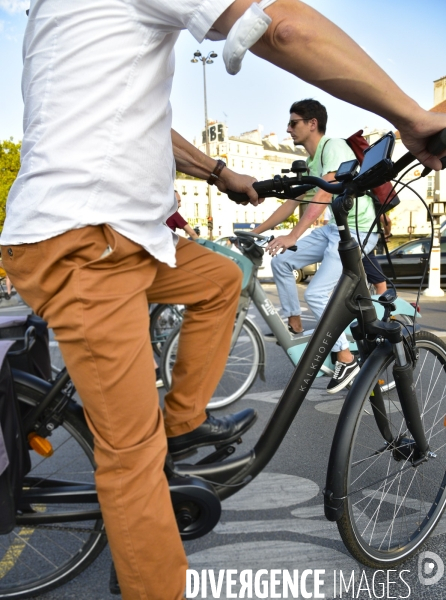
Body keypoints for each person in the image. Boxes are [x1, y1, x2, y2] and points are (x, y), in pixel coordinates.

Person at [1, 1, 445, 598]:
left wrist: (217, 172)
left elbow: (134, 120)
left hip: (121, 237)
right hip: (87, 243)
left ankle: (181, 424)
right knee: (132, 463)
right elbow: (283, 26)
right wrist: (411, 116)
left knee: (219, 279)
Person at [253, 99, 387, 393]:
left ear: (312, 123)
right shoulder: (313, 162)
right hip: (334, 229)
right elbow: (290, 205)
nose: (288, 129)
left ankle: (346, 357)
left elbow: (324, 196)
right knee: (281, 261)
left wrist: (293, 236)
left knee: (316, 293)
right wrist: (255, 231)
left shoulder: (334, 147)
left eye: (293, 123)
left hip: (356, 230)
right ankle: (296, 326)